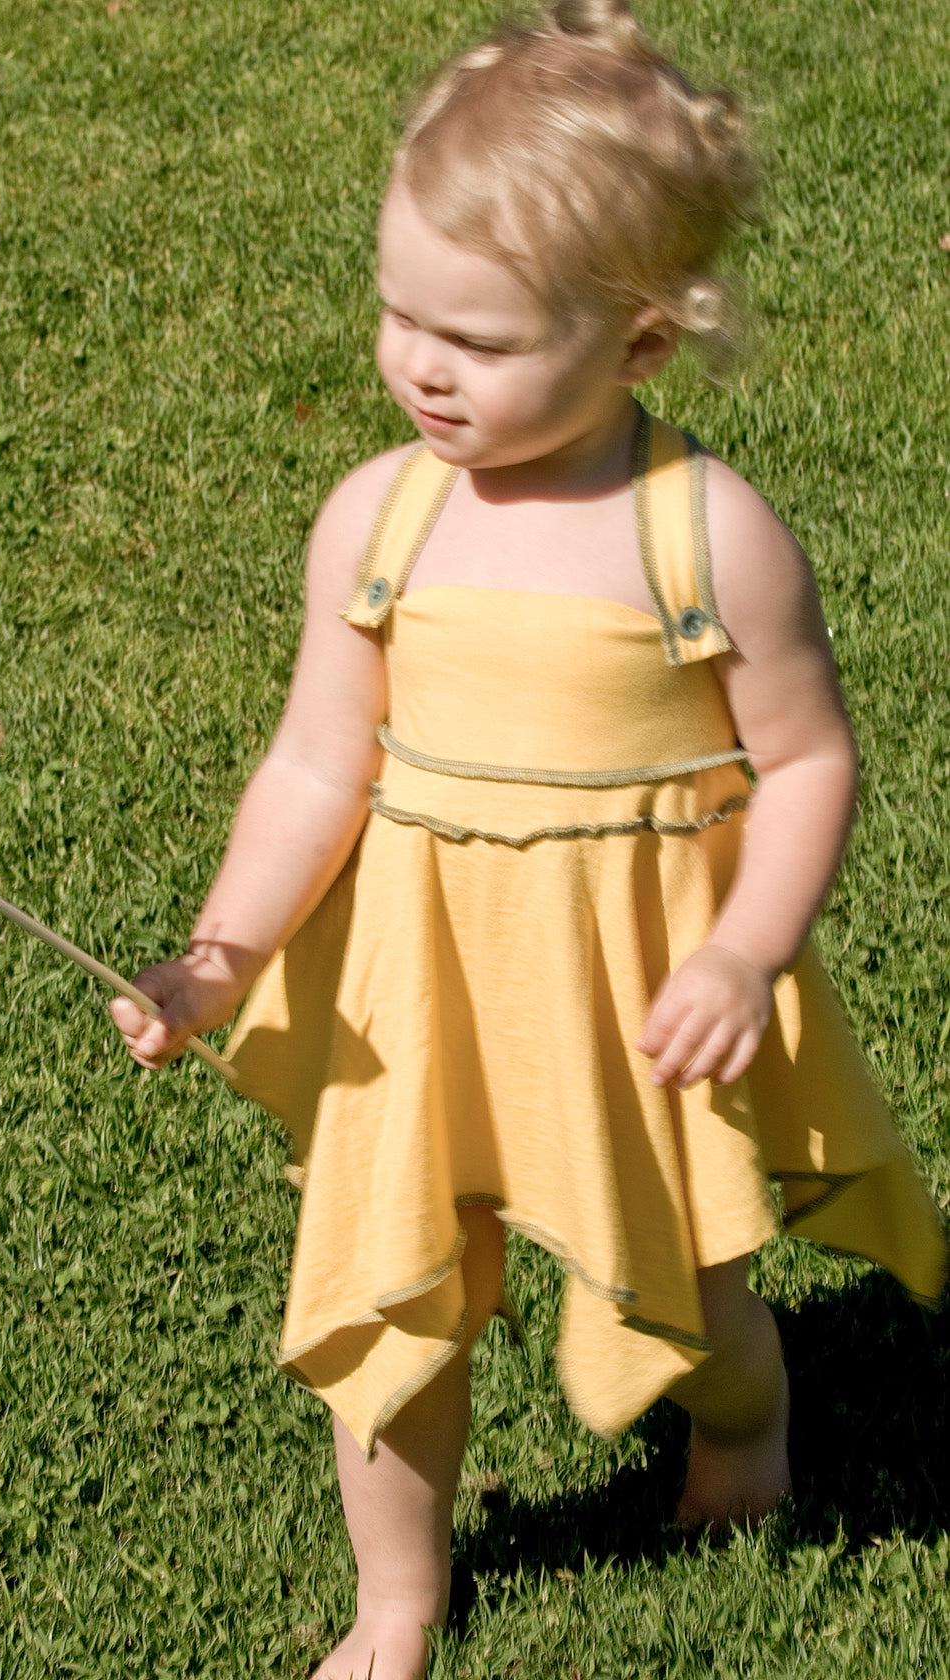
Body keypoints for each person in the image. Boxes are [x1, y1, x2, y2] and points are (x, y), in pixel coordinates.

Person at [112, 5, 946, 1675]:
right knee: (393, 1301)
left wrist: (743, 951)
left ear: (636, 344)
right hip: (420, 992)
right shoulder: (382, 516)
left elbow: (805, 762)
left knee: (685, 1286)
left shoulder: (699, 533)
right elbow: (313, 764)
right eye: (398, 313)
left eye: (476, 341)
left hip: (628, 995)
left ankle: (745, 1425)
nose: (420, 365)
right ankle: (397, 1598)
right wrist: (222, 953)